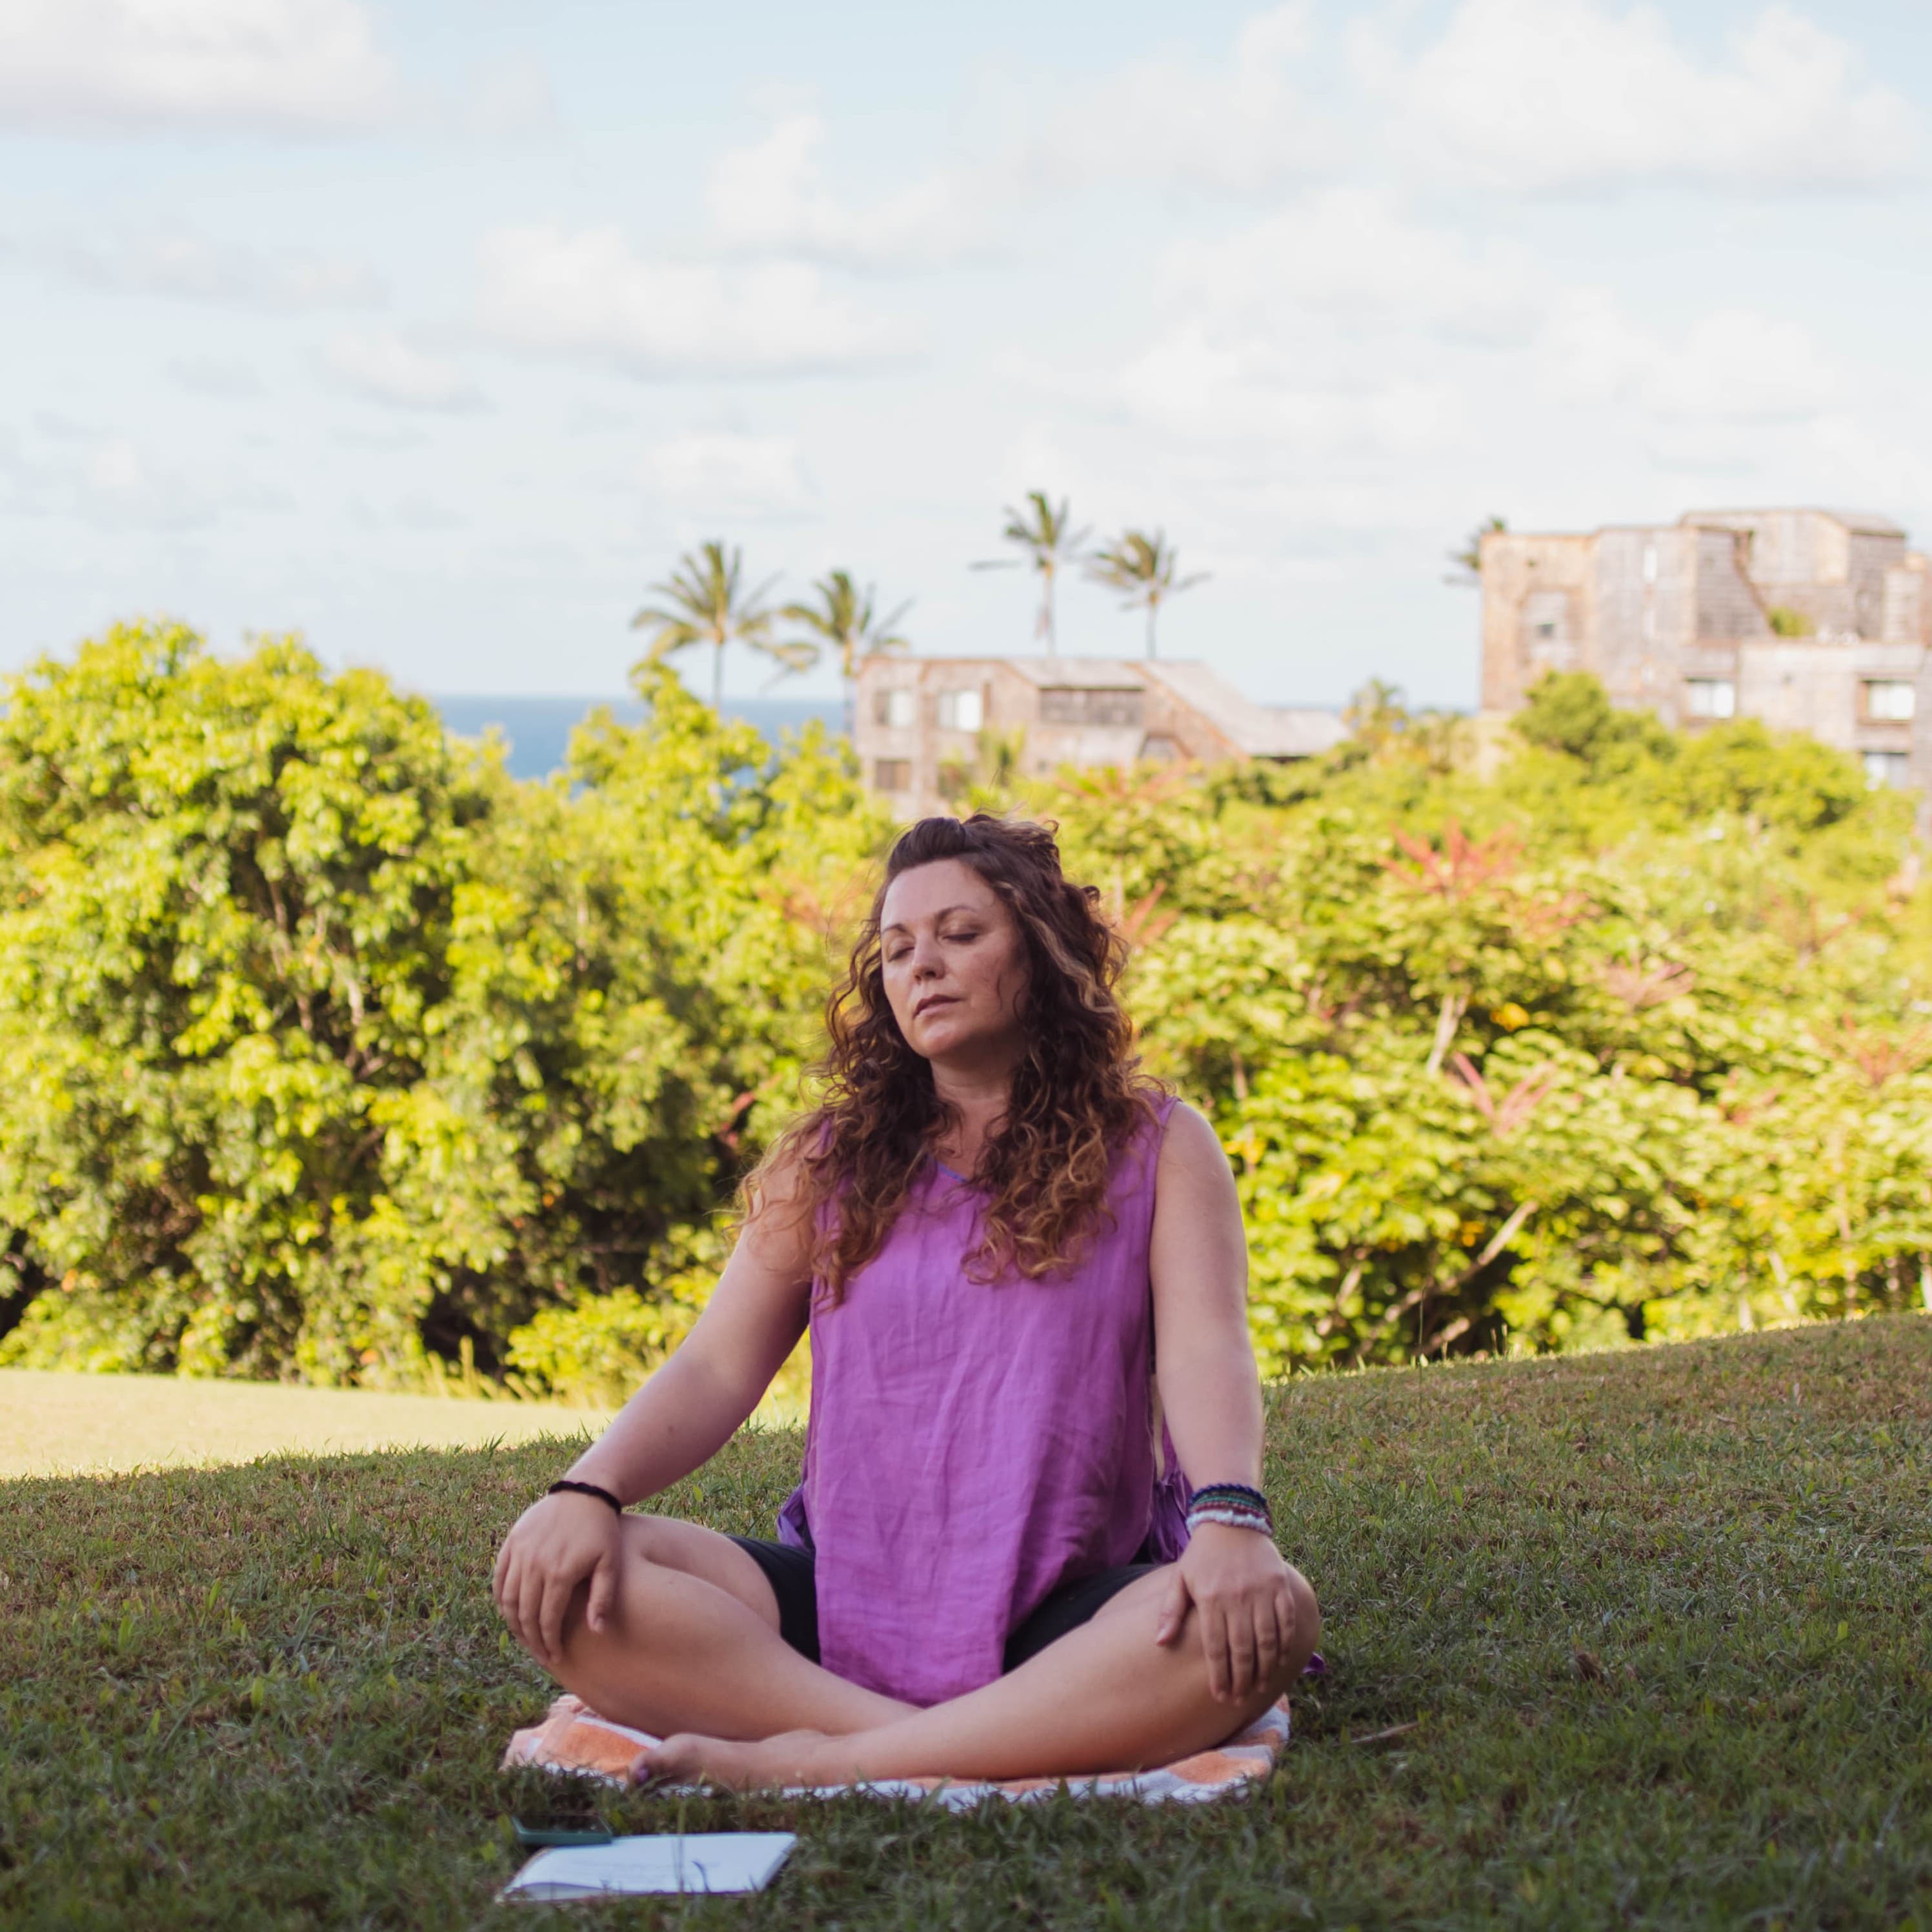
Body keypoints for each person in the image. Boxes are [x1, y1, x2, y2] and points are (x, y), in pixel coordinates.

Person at [491, 813, 1320, 1788]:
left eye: (961, 934)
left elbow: (1204, 1351)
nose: (922, 963)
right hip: (838, 1608)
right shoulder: (827, 1159)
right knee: (580, 1576)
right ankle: (936, 1747)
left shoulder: (1160, 1144)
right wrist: (585, 1491)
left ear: (1042, 950)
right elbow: (715, 1366)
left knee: (1277, 1614)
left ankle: (817, 1762)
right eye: (896, 948)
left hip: (1065, 1616)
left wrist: (1231, 1519)